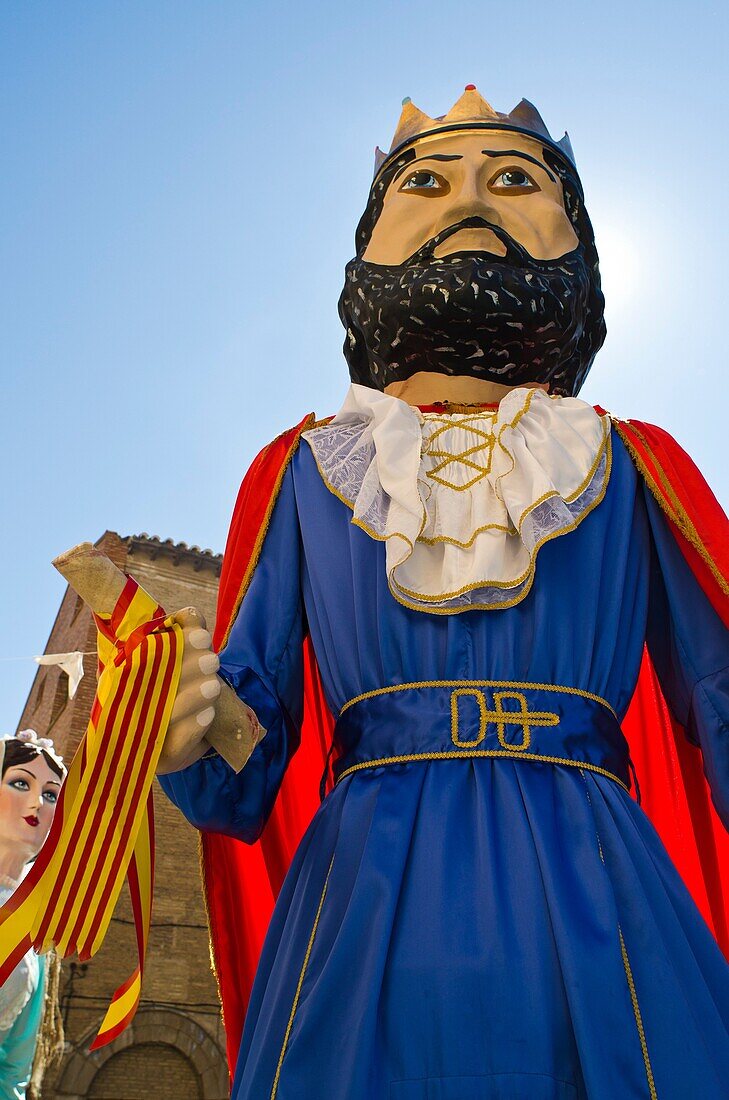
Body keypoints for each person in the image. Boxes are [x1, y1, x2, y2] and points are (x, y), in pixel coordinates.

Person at [157, 88, 729, 1097]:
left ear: (578, 244)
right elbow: (246, 765)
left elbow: (719, 691)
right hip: (364, 890)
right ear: (370, 247)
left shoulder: (634, 464)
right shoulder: (304, 469)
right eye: (423, 182)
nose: (471, 198)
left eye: (516, 179)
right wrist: (191, 727)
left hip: (600, 878)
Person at [0, 731, 65, 1100]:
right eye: (20, 782)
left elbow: (14, 1068)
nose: (36, 802)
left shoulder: (36, 935)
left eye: (51, 793)